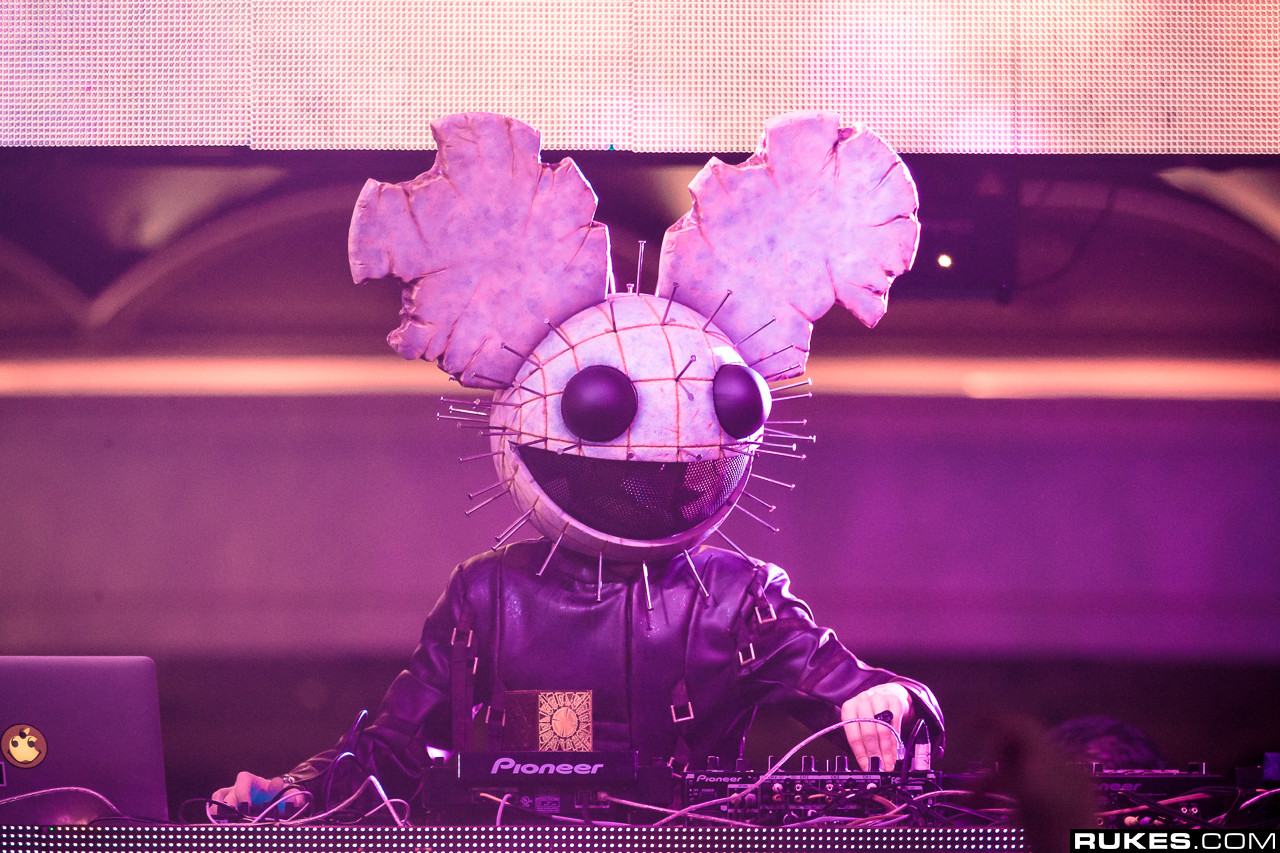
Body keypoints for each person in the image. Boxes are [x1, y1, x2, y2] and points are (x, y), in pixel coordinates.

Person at [213, 110, 944, 818]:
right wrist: (298, 789)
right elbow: (390, 750)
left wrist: (889, 704)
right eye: (605, 410)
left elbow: (878, 699)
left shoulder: (739, 600)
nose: (650, 453)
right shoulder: (488, 597)